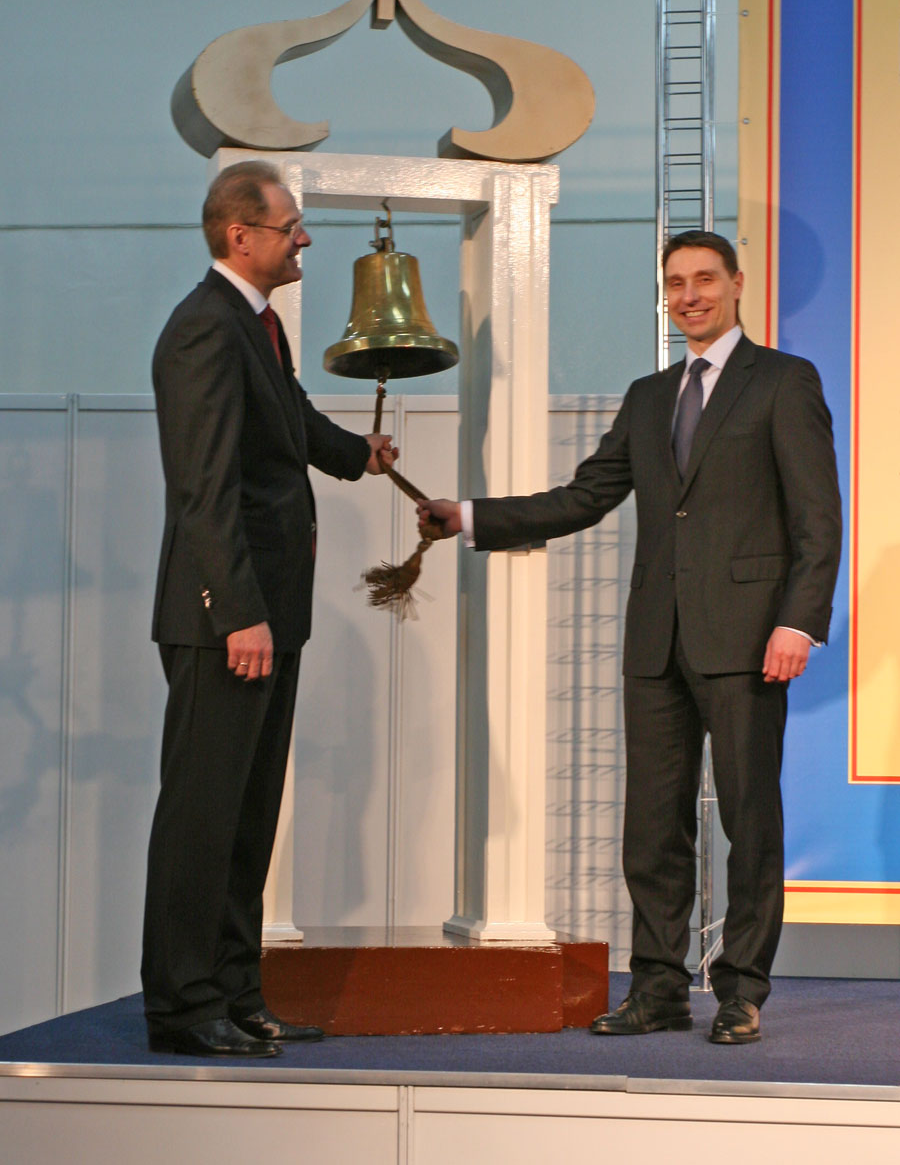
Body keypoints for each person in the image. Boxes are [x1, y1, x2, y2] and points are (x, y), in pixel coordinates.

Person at [419, 230, 841, 1045]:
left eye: (705, 279)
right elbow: (585, 497)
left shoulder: (784, 381)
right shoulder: (649, 397)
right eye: (676, 283)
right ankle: (658, 987)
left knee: (750, 821)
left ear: (737, 283)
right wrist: (469, 517)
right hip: (655, 641)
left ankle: (742, 990)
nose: (690, 296)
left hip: (749, 639)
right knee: (651, 826)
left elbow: (817, 519)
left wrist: (797, 622)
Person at [142, 160, 397, 1058]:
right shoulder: (203, 329)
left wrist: (356, 454)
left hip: (268, 614)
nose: (305, 239)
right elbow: (203, 486)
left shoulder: (256, 325)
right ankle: (183, 1007)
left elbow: (286, 419)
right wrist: (236, 612)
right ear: (239, 234)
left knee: (247, 818)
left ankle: (237, 995)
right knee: (202, 817)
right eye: (291, 226)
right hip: (227, 621)